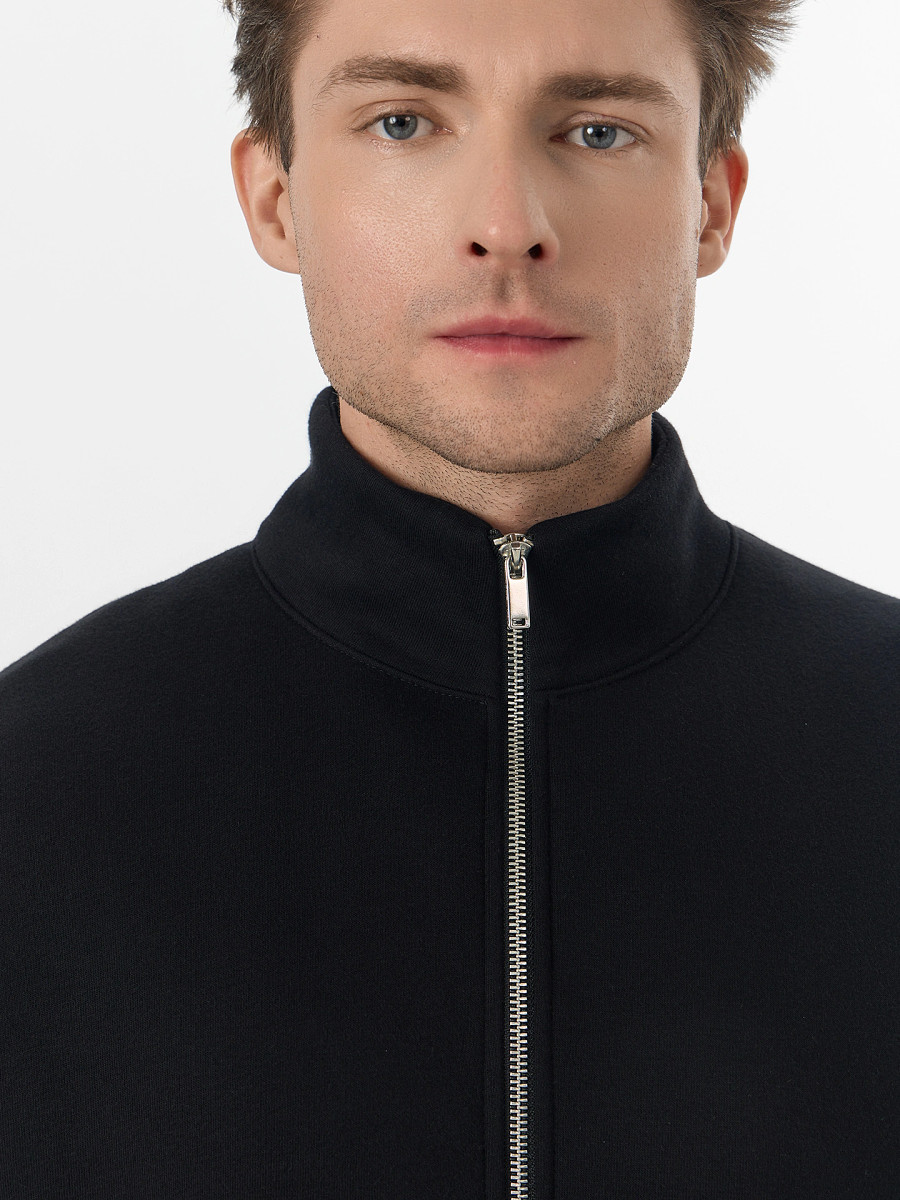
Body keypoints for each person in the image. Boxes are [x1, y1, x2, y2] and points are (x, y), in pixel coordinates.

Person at [1, 0, 897, 1194]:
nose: (507, 228)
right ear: (274, 197)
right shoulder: (29, 789)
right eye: (403, 122)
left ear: (712, 203)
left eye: (597, 131)